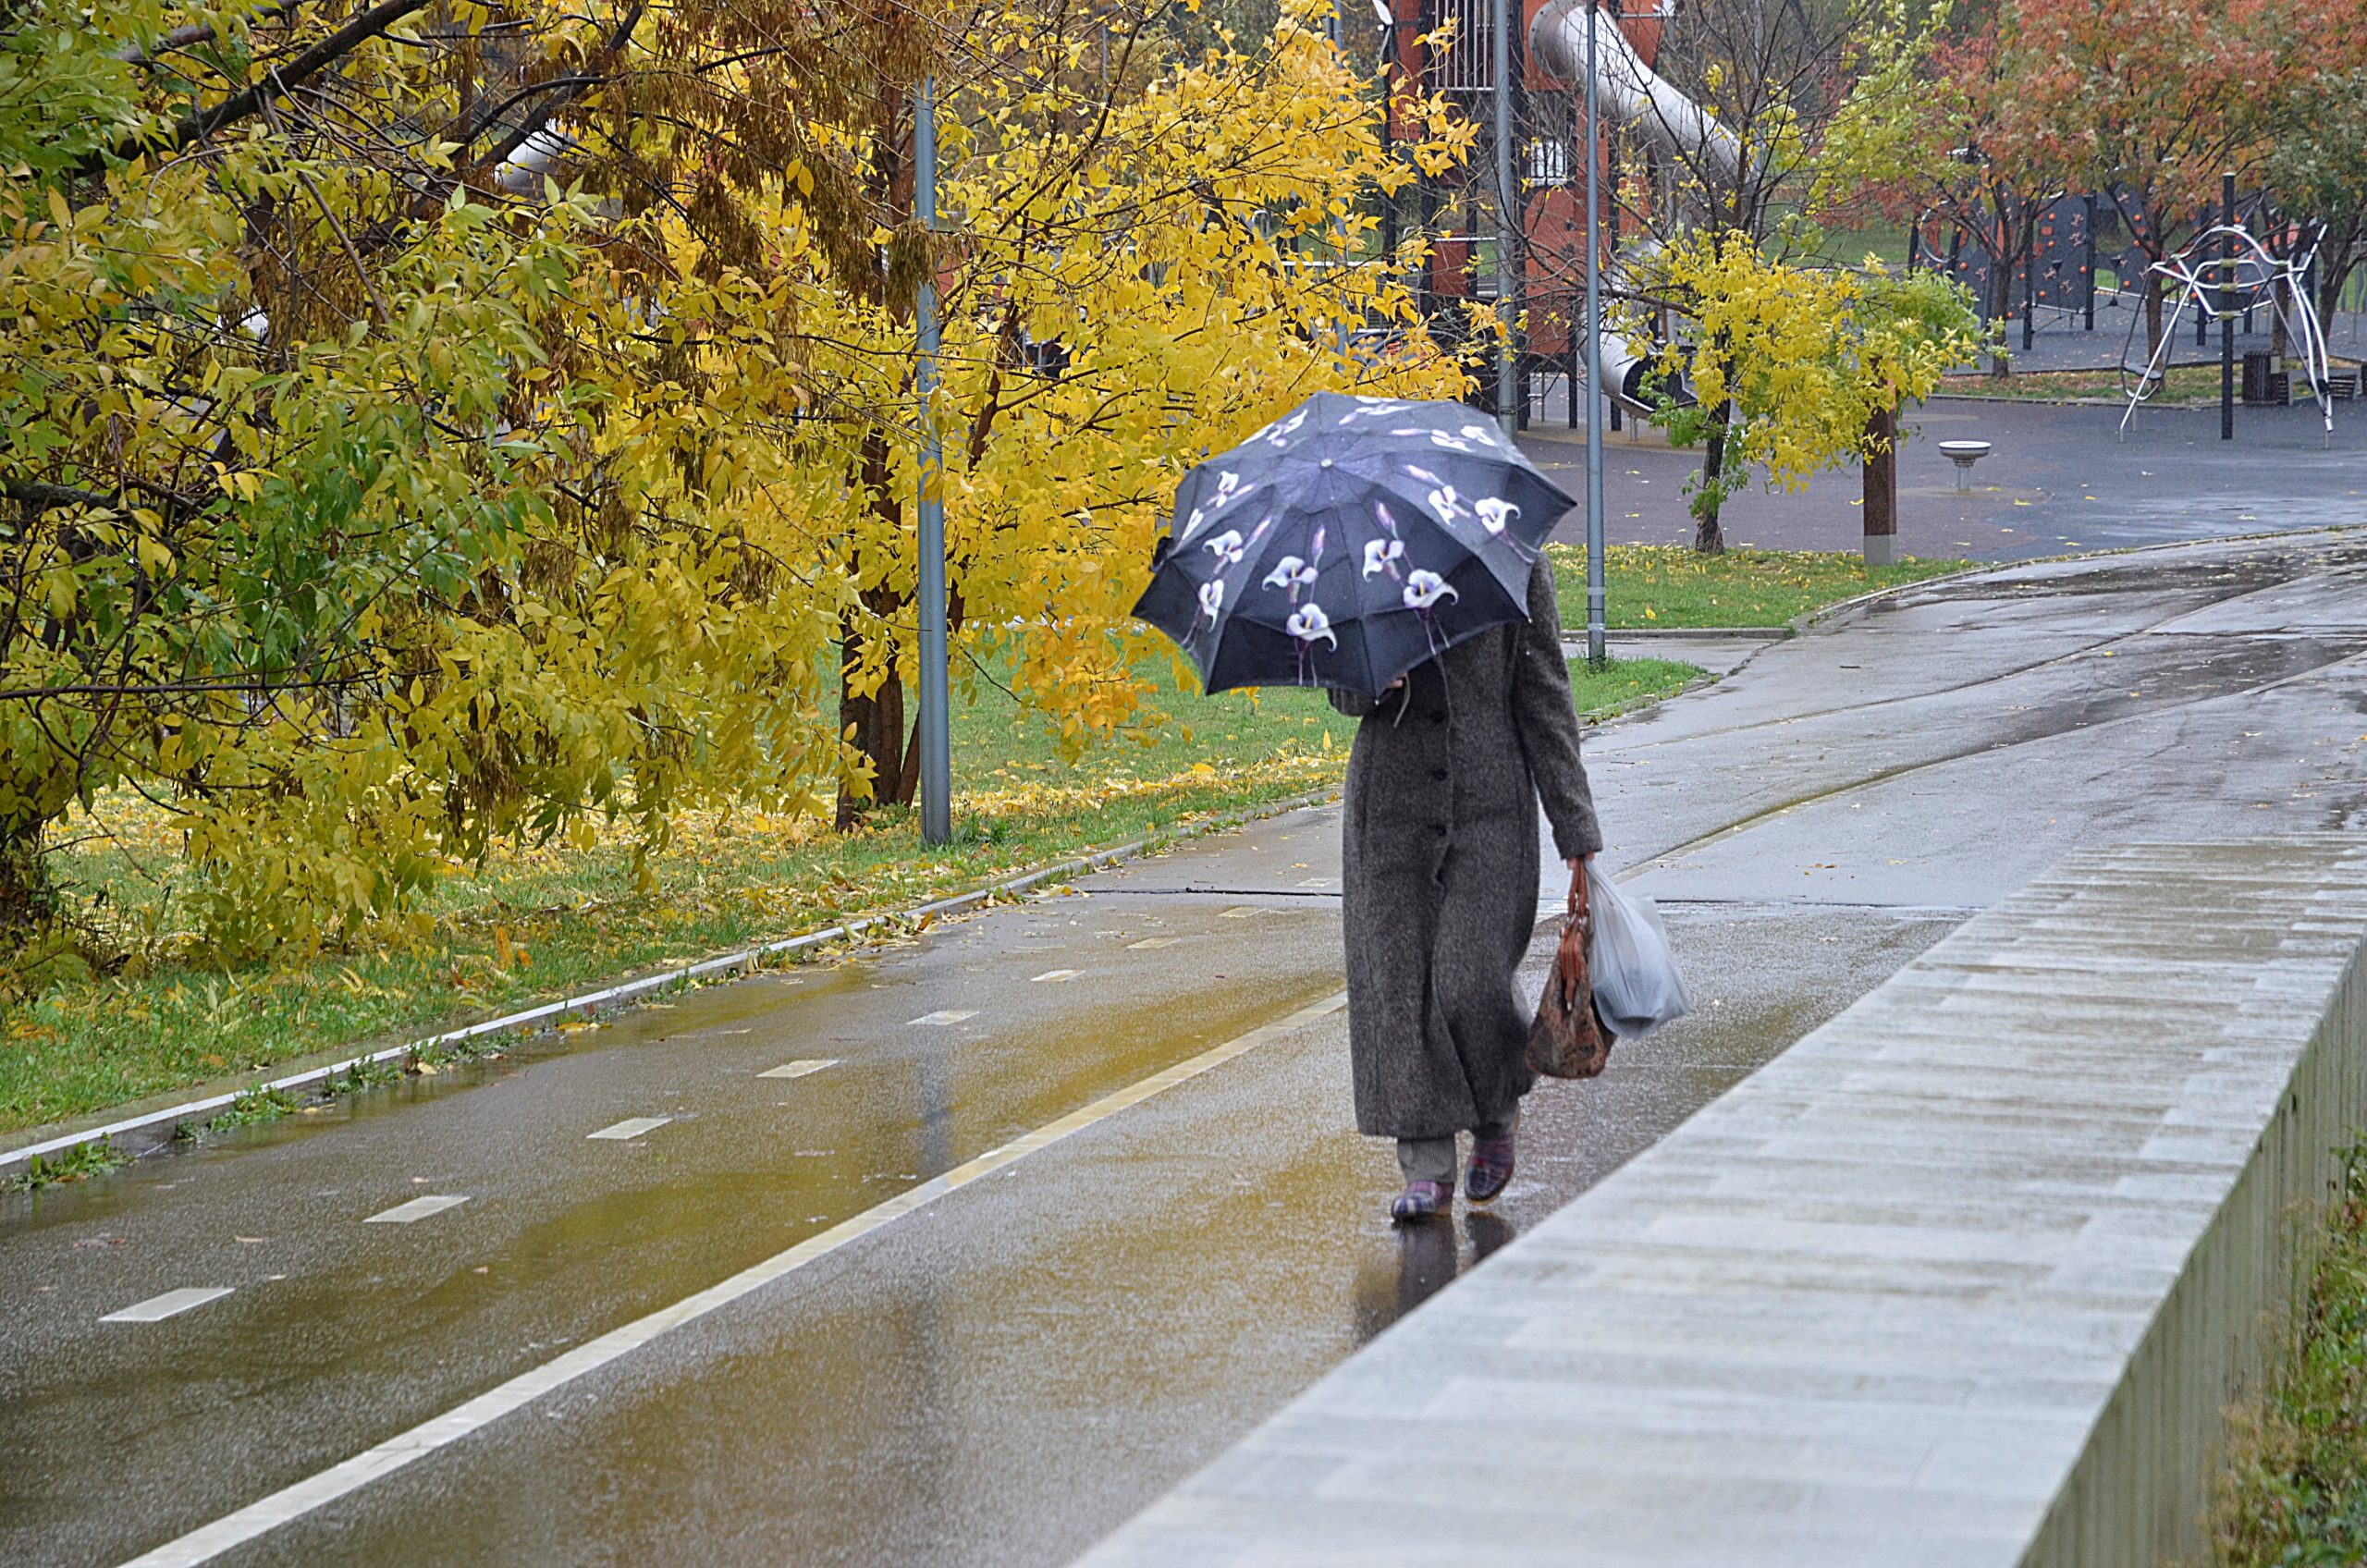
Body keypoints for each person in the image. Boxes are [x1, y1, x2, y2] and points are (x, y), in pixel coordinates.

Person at [1329, 556, 1601, 1223]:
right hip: (1389, 809)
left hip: (1490, 807)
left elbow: (1543, 692)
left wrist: (1575, 825)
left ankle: (1495, 1110)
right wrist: (1368, 680)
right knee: (1402, 991)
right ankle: (1426, 1167)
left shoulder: (1514, 558)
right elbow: (1337, 688)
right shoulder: (1359, 560)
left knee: (1469, 979)